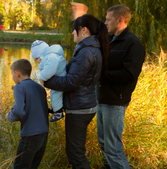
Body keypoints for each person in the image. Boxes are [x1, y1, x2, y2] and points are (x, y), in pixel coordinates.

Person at [43, 14, 110, 169]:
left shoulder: (87, 52)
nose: (73, 33)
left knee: (76, 155)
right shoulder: (90, 49)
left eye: (75, 30)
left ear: (84, 30)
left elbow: (72, 81)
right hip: (83, 104)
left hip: (80, 109)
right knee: (76, 153)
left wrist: (46, 81)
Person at [97, 4, 146, 169]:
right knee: (103, 144)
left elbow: (129, 74)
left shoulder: (133, 43)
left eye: (108, 19)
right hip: (102, 97)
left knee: (113, 148)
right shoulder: (109, 40)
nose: (105, 23)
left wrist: (101, 75)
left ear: (120, 20)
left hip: (115, 101)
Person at [6, 59, 49, 169]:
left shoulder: (19, 87)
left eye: (12, 74)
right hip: (44, 133)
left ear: (17, 73)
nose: (12, 77)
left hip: (30, 134)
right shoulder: (40, 88)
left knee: (20, 166)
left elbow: (19, 110)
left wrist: (9, 116)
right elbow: (43, 109)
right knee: (33, 165)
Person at [31, 40, 67, 122]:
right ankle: (56, 109)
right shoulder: (51, 56)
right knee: (54, 94)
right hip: (59, 77)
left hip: (60, 78)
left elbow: (50, 69)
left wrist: (42, 77)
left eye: (37, 58)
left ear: (41, 56)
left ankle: (58, 112)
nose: (37, 61)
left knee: (56, 94)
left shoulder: (51, 57)